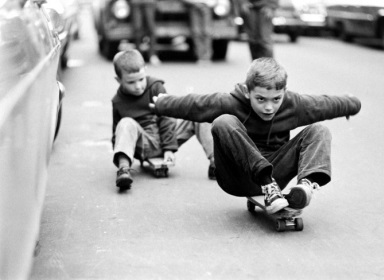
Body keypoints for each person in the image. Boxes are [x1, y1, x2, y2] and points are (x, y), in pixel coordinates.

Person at [150, 57, 361, 214]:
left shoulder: (293, 105)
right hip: (237, 176)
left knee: (319, 130)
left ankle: (305, 186)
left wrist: (352, 104)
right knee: (223, 121)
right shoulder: (231, 103)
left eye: (276, 99)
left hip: (277, 175)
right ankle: (267, 185)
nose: (269, 107)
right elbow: (195, 105)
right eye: (260, 99)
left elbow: (325, 105)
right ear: (247, 91)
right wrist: (160, 104)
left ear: (284, 92)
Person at [111, 49, 215, 189]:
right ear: (118, 80)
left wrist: (168, 149)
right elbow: (117, 136)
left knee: (198, 112)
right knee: (125, 123)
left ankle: (215, 162)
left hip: (168, 136)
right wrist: (126, 154)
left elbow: (167, 117)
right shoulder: (118, 101)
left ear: (145, 71)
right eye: (131, 82)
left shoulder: (155, 87)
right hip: (145, 144)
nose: (138, 86)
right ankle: (123, 171)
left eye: (141, 79)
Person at [130, 0, 161, 65]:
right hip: (136, 3)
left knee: (151, 28)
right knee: (137, 29)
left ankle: (152, 55)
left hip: (149, 2)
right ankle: (138, 56)